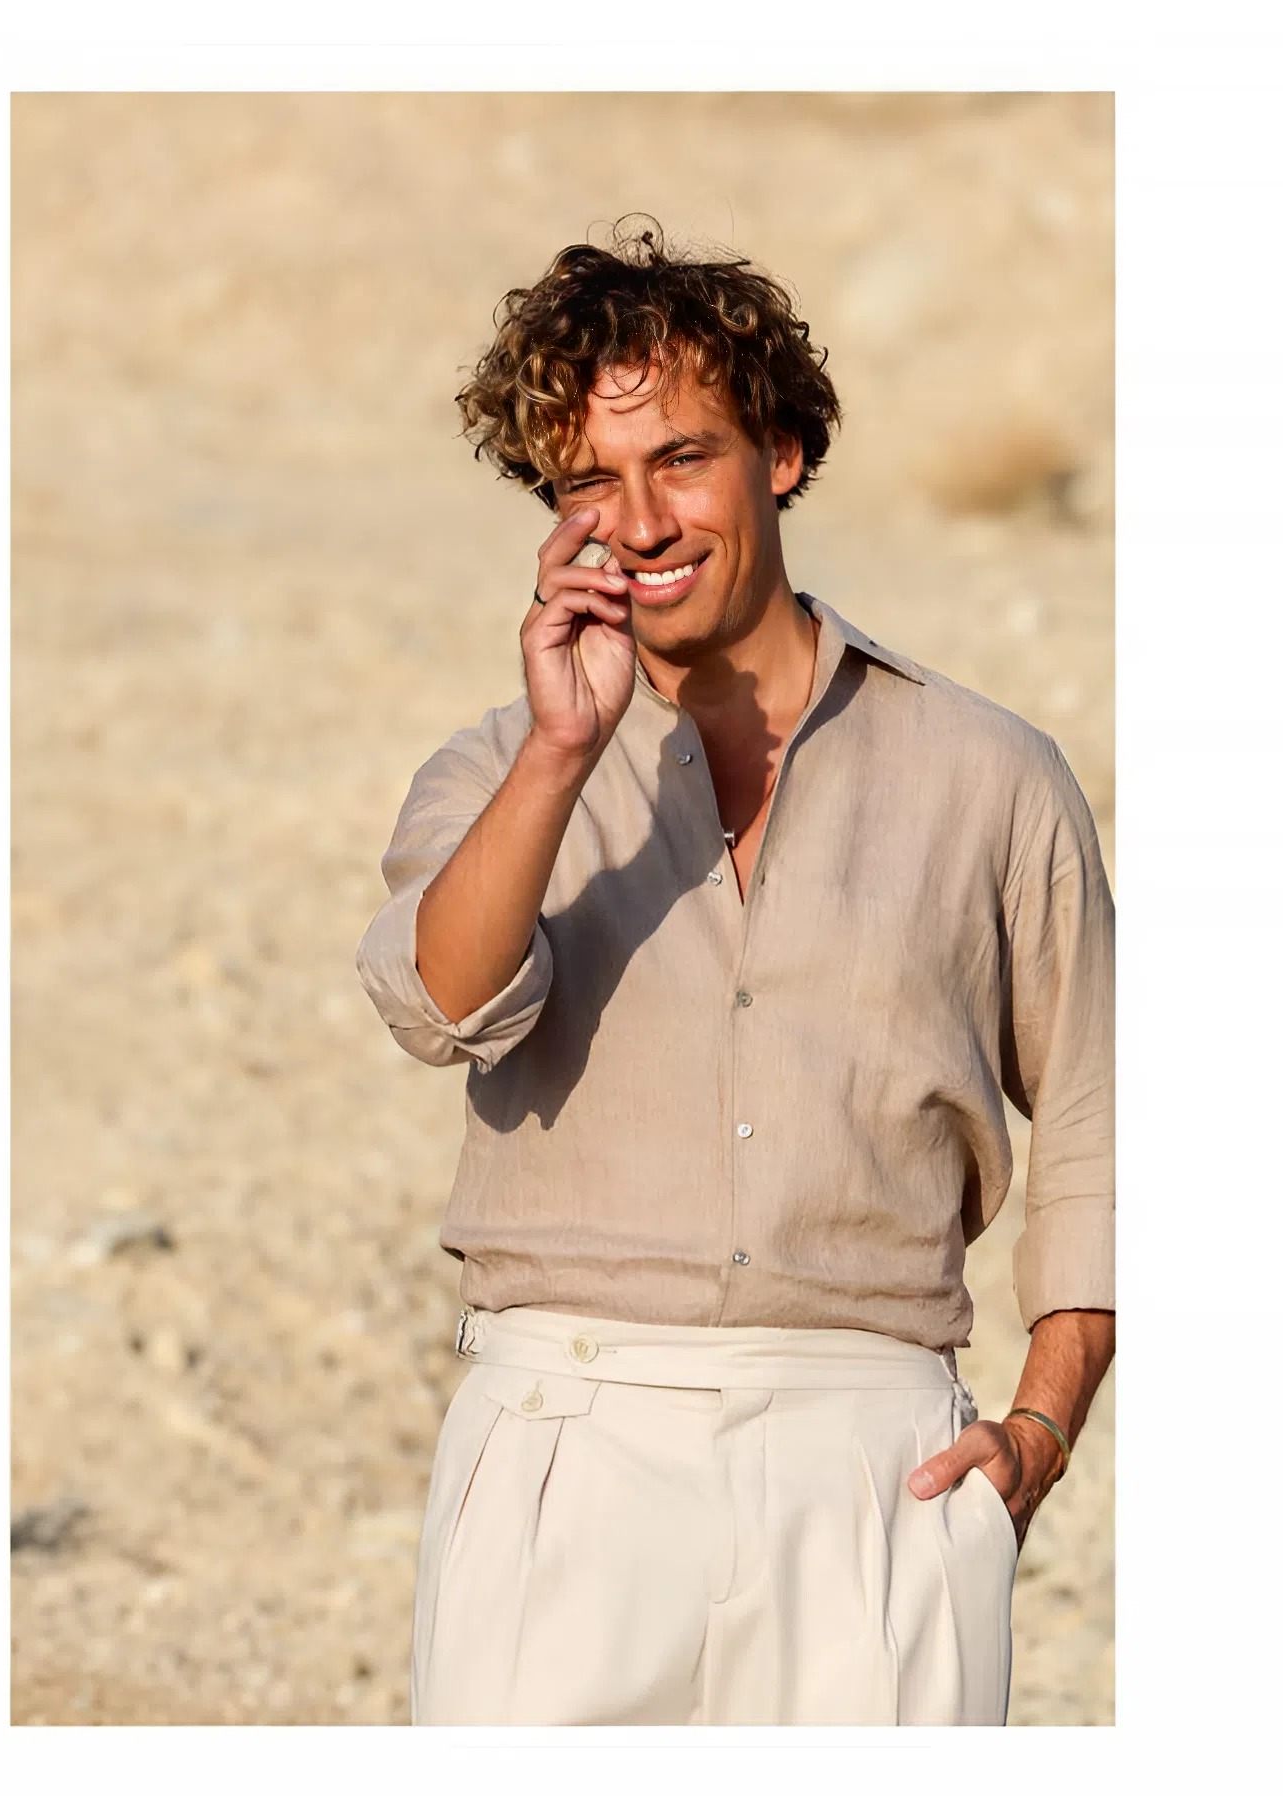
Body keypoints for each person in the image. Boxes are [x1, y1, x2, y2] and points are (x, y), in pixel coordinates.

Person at [354, 219, 1115, 1727]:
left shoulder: (993, 775)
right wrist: (564, 752)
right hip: (567, 1445)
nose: (639, 520)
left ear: (783, 451)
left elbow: (1104, 1126)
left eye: (681, 459)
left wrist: (1038, 1432)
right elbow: (437, 1005)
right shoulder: (500, 768)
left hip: (878, 1465)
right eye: (588, 480)